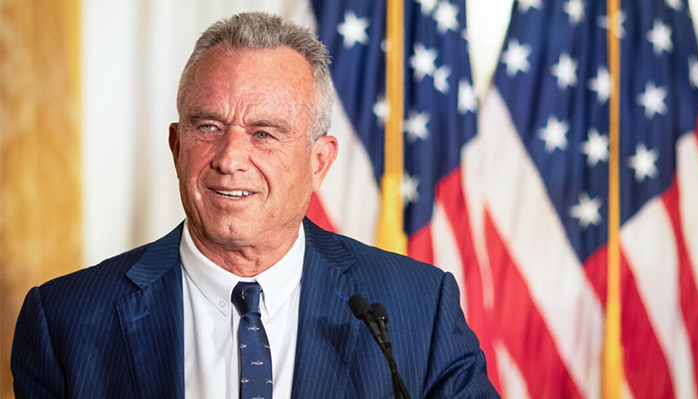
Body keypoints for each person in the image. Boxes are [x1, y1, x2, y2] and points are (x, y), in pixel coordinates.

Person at [12, 12, 499, 399]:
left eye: (264, 134)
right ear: (176, 145)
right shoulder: (65, 322)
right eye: (208, 127)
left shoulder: (416, 309)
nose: (229, 159)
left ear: (319, 162)